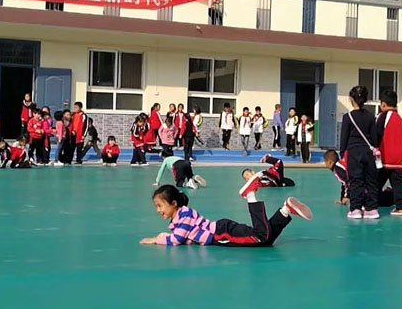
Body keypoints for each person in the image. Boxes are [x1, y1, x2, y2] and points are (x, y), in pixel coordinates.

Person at [140, 185, 312, 247]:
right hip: (222, 230)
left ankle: (250, 195)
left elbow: (176, 240)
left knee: (260, 236)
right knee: (264, 242)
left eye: (160, 205)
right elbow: (187, 237)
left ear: (173, 203)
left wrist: (157, 239)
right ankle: (285, 211)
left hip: (221, 234)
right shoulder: (182, 216)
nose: (158, 210)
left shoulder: (183, 216)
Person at [339, 85, 379, 219]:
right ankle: (371, 209)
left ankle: (356, 209)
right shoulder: (370, 116)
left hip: (353, 152)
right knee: (371, 180)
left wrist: (342, 152)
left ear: (352, 99)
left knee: (356, 180)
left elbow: (344, 137)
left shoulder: (348, 117)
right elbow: (374, 139)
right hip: (367, 151)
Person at [376, 89, 402, 215]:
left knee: (376, 183)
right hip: (398, 159)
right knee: (398, 184)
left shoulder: (382, 116)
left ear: (383, 104)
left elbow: (377, 134)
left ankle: (370, 205)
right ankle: (401, 207)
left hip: (385, 158)